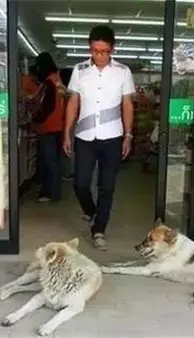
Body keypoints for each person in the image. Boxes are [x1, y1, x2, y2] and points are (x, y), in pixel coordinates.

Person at [63, 25, 135, 250]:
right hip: (84, 137)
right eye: (95, 51)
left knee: (107, 186)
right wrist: (67, 133)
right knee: (81, 183)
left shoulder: (123, 71)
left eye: (104, 51)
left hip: (112, 137)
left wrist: (128, 135)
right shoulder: (80, 70)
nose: (100, 56)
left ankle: (99, 229)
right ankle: (91, 212)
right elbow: (73, 102)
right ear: (90, 48)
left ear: (112, 49)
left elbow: (127, 104)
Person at [32, 52, 67, 203]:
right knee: (55, 162)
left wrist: (35, 119)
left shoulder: (48, 83)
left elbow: (47, 106)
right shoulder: (58, 80)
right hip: (58, 126)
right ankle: (53, 191)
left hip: (47, 127)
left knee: (50, 162)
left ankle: (51, 193)